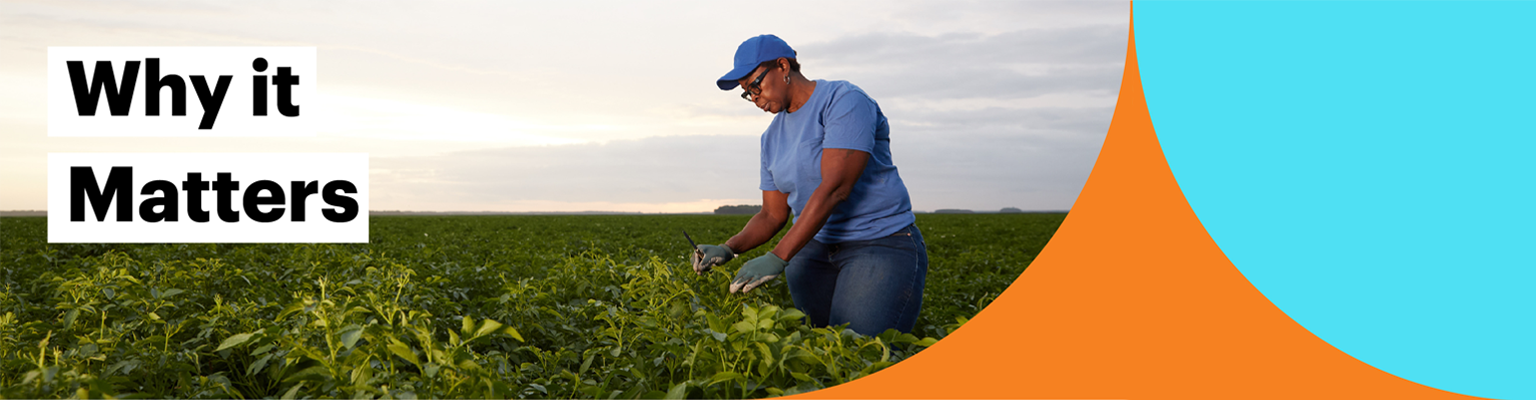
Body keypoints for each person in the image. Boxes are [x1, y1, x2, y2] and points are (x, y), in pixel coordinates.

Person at [690, 34, 929, 336]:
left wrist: (778, 256)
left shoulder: (843, 101)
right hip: (811, 251)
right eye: (746, 93)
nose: (754, 98)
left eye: (755, 86)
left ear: (782, 66)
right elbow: (772, 215)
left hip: (877, 244)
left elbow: (835, 188)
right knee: (819, 352)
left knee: (860, 354)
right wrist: (728, 247)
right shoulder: (771, 139)